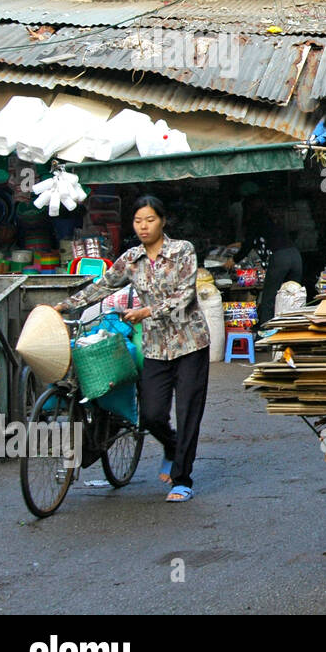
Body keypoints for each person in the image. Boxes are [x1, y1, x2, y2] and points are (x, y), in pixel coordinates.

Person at [54, 195, 210, 503]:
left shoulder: (182, 251)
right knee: (151, 414)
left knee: (188, 411)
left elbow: (185, 296)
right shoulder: (132, 258)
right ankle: (171, 445)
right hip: (154, 347)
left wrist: (147, 312)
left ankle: (182, 479)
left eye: (150, 220)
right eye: (138, 221)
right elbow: (104, 285)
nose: (144, 227)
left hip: (190, 342)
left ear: (162, 221)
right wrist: (65, 305)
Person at [228, 188, 303, 331]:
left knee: (269, 297)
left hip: (280, 258)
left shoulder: (255, 220)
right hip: (295, 255)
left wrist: (234, 260)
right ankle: (293, 331)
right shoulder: (272, 219)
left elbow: (248, 244)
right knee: (293, 296)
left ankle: (265, 333)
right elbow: (254, 241)